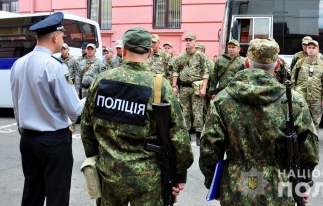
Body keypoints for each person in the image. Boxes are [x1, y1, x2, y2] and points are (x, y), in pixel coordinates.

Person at [80, 27, 193, 205]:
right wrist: (178, 174)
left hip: (108, 173)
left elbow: (86, 128)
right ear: (149, 53)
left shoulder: (101, 81)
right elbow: (179, 136)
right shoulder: (159, 85)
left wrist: (97, 157)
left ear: (123, 50)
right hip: (148, 178)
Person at [199, 38, 319, 205]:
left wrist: (213, 182)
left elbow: (209, 147)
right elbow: (309, 151)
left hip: (236, 188)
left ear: (246, 63)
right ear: (277, 65)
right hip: (280, 189)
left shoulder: (222, 100)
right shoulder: (294, 101)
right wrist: (303, 183)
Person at [10, 12, 85, 206]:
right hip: (53, 141)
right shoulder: (55, 66)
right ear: (54, 37)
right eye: (62, 36)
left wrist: (23, 130)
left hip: (27, 138)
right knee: (57, 196)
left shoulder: (19, 63)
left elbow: (17, 104)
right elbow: (74, 109)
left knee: (32, 193)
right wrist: (88, 99)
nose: (62, 40)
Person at [172, 33, 209, 146]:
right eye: (186, 40)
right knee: (185, 111)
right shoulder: (181, 56)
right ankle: (187, 133)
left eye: (190, 40)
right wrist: (174, 86)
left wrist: (204, 88)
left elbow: (205, 72)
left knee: (197, 111)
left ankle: (198, 134)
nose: (188, 42)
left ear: (195, 41)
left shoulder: (200, 56)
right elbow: (175, 71)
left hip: (196, 88)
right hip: (184, 88)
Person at [292, 40, 323, 133]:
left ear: (318, 50)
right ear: (306, 49)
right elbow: (293, 79)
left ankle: (314, 140)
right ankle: (301, 143)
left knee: (315, 121)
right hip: (301, 97)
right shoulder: (300, 62)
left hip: (316, 98)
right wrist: (292, 95)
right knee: (300, 120)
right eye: (309, 48)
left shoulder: (322, 64)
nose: (311, 50)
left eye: (313, 48)